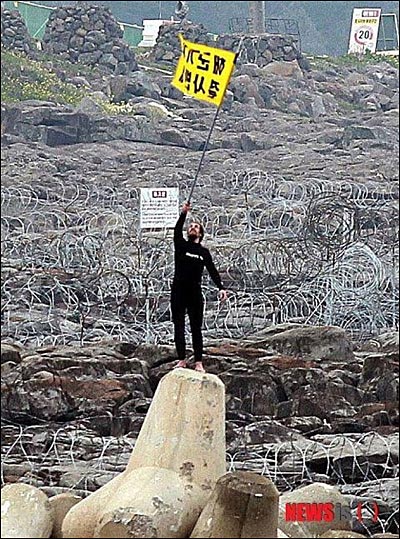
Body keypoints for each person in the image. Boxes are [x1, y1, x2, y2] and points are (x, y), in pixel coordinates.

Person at [171, 202, 227, 373]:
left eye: (196, 227)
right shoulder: (181, 245)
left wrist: (221, 287)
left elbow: (212, 270)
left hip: (194, 292)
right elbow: (176, 231)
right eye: (191, 227)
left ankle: (198, 362)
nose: (192, 228)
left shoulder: (203, 253)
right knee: (178, 325)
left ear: (201, 233)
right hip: (178, 290)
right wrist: (183, 214)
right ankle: (181, 360)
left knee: (196, 328)